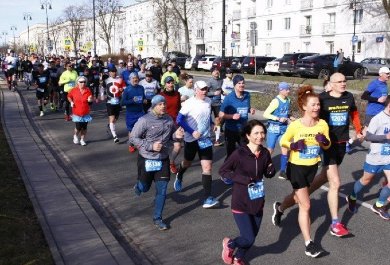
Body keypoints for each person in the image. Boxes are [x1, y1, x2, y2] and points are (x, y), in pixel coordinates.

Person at [272, 73, 363, 238]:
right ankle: (335, 223)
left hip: (341, 144)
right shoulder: (322, 99)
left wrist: (358, 129)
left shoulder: (349, 97)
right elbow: (311, 115)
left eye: (345, 81)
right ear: (331, 84)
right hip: (327, 146)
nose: (344, 84)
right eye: (340, 81)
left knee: (316, 184)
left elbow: (354, 114)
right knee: (335, 182)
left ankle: (281, 207)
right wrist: (303, 134)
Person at [279, 85, 331, 257]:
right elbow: (284, 142)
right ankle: (309, 244)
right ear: (304, 107)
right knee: (306, 205)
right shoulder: (296, 125)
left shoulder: (322, 124)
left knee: (298, 199)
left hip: (312, 167)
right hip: (296, 167)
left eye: (318, 105)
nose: (317, 107)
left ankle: (280, 208)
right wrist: (293, 145)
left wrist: (323, 140)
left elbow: (327, 144)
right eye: (313, 105)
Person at [219, 120, 275, 265]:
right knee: (248, 238)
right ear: (248, 135)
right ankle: (230, 244)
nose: (260, 136)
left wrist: (271, 170)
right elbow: (223, 171)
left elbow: (267, 172)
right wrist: (243, 179)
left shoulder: (264, 153)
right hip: (241, 201)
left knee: (252, 235)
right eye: (256, 133)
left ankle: (239, 257)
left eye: (262, 132)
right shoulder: (239, 153)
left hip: (257, 200)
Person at [131, 95, 184, 230]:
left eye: (164, 104)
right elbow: (133, 138)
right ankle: (139, 186)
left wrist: (176, 136)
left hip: (163, 159)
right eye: (160, 104)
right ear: (154, 106)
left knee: (162, 190)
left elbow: (172, 137)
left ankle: (158, 218)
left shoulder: (168, 119)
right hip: (147, 158)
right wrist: (151, 146)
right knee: (145, 188)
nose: (163, 106)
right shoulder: (144, 120)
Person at [175, 80, 220, 208]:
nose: (204, 91)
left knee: (207, 168)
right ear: (195, 90)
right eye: (201, 89)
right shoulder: (189, 103)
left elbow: (207, 116)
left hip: (205, 139)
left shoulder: (208, 101)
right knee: (187, 163)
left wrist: (212, 125)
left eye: (205, 89)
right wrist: (191, 131)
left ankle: (207, 198)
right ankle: (180, 173)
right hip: (191, 139)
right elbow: (179, 120)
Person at [346, 96, 390, 220]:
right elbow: (368, 137)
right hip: (376, 156)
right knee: (366, 180)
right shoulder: (378, 118)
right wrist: (385, 137)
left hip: (388, 156)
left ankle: (378, 205)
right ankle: (352, 196)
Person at [263, 82, 295, 180]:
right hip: (273, 129)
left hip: (283, 129)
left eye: (289, 89)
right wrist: (277, 118)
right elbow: (266, 114)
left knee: (285, 148)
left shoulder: (288, 100)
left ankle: (282, 171)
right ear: (281, 90)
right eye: (287, 89)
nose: (289, 91)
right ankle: (262, 167)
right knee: (270, 150)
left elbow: (285, 113)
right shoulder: (275, 101)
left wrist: (290, 117)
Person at [219, 75, 255, 158]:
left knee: (246, 152)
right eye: (239, 83)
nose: (242, 85)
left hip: (243, 129)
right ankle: (227, 169)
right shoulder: (229, 98)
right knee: (231, 154)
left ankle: (243, 169)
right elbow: (221, 114)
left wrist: (250, 110)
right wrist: (232, 116)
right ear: (234, 85)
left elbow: (247, 107)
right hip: (231, 130)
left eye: (243, 83)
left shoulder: (247, 95)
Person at [160, 76, 181, 173]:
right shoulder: (161, 95)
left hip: (175, 124)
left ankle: (171, 162)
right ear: (165, 84)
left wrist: (181, 122)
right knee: (161, 146)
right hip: (164, 123)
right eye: (168, 83)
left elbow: (179, 108)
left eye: (172, 82)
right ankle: (159, 162)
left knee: (177, 146)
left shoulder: (177, 94)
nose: (170, 84)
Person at [361, 66, 390, 133]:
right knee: (365, 131)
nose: (389, 75)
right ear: (381, 74)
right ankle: (352, 141)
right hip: (372, 112)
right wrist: (377, 100)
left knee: (379, 131)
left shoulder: (385, 84)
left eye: (389, 73)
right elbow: (364, 96)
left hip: (382, 112)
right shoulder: (374, 84)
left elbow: (384, 96)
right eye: (387, 73)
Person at [121, 72, 145, 152]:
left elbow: (143, 98)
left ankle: (139, 144)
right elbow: (122, 102)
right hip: (131, 113)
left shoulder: (141, 88)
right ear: (130, 80)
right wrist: (132, 100)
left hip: (140, 112)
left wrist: (144, 100)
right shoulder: (127, 90)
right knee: (131, 130)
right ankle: (131, 145)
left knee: (142, 129)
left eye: (136, 78)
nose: (135, 79)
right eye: (133, 78)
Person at [67, 76, 93, 146]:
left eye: (84, 82)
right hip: (77, 112)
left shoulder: (88, 90)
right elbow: (69, 96)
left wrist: (90, 100)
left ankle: (82, 139)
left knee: (84, 127)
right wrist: (71, 102)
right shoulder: (74, 90)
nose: (83, 83)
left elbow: (90, 100)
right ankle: (75, 135)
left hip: (85, 111)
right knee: (78, 127)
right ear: (77, 83)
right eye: (81, 82)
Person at [103, 66, 126, 143]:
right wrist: (102, 95)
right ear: (109, 72)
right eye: (112, 71)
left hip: (118, 102)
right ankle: (115, 136)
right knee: (112, 119)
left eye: (115, 71)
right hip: (109, 102)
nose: (114, 73)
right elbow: (102, 88)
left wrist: (122, 89)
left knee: (115, 119)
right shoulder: (106, 80)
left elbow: (125, 87)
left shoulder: (120, 79)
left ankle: (110, 126)